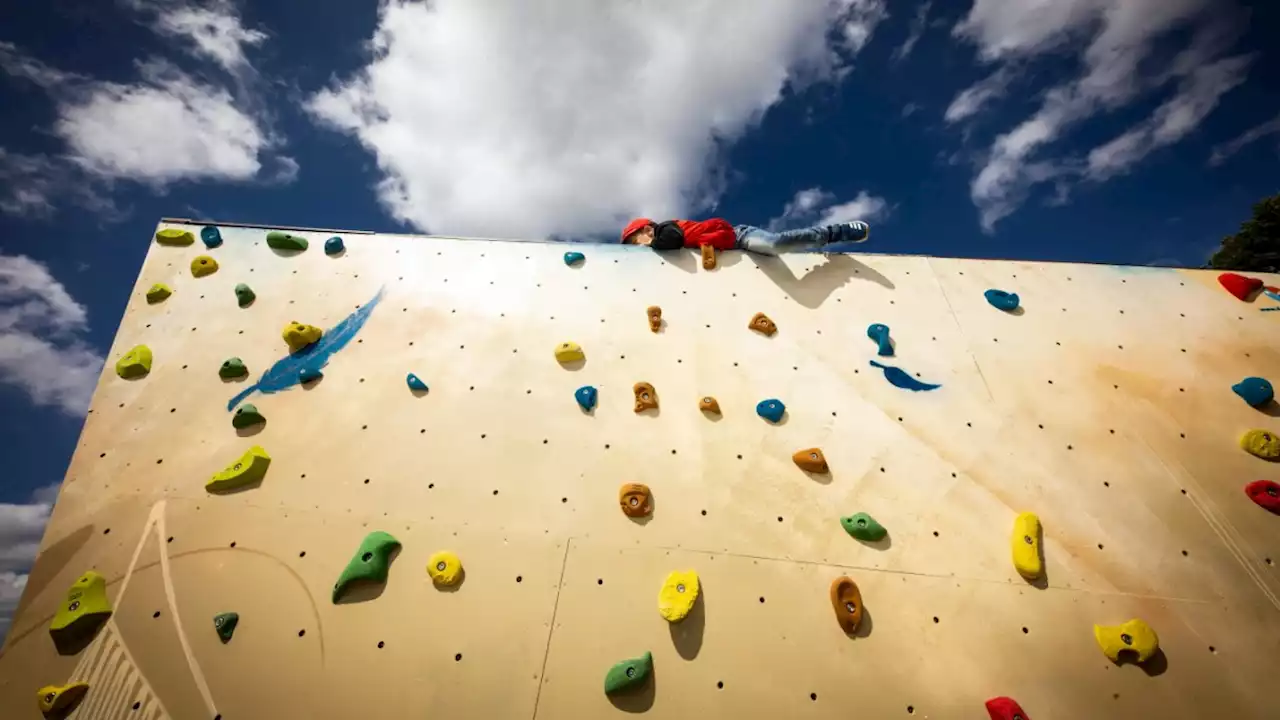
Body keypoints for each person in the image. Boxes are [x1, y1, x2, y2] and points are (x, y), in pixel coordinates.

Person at [620, 217, 869, 255]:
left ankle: (834, 232)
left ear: (647, 231)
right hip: (730, 251)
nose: (637, 249)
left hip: (739, 237)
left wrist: (652, 245)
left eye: (635, 242)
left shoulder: (667, 228)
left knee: (773, 244)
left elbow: (673, 241)